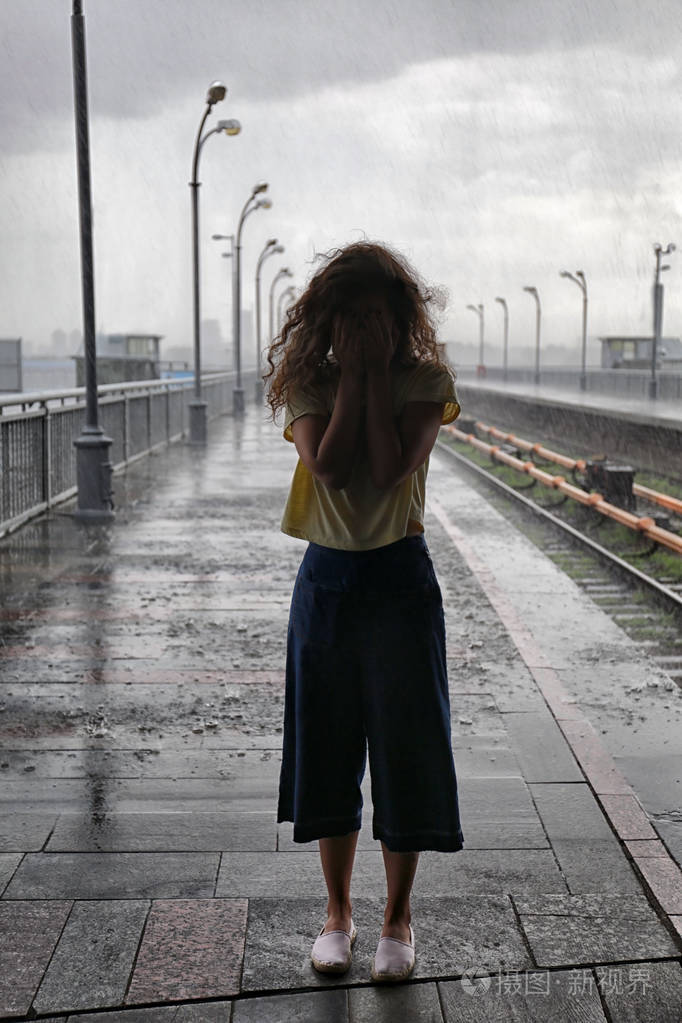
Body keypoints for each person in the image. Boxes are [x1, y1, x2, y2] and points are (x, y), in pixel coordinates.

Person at [264, 240, 464, 983]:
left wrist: (376, 375)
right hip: (327, 584)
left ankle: (397, 918)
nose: (365, 328)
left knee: (406, 751)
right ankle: (338, 914)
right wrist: (352, 378)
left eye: (377, 316)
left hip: (400, 582)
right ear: (329, 319)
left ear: (400, 316)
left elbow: (385, 467)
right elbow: (330, 464)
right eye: (352, 317)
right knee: (328, 750)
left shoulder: (426, 381)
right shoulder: (309, 383)